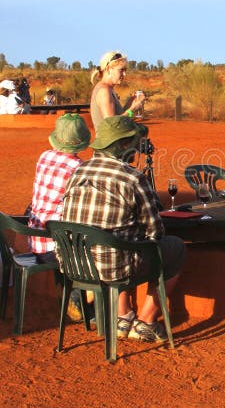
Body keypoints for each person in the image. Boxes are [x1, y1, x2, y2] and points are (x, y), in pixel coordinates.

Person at [62, 115, 186, 342]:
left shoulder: (78, 172)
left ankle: (123, 317)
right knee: (174, 247)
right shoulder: (132, 178)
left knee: (119, 242)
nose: (137, 149)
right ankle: (147, 322)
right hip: (112, 267)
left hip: (75, 265)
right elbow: (155, 231)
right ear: (121, 146)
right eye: (133, 142)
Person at [27, 114, 91, 321]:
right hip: (59, 249)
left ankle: (75, 293)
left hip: (36, 240)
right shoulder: (79, 168)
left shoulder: (44, 157)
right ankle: (81, 296)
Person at [89, 51, 145, 128]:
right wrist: (133, 109)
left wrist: (129, 104)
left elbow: (117, 117)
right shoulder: (104, 91)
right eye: (121, 70)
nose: (124, 74)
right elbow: (113, 126)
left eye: (125, 70)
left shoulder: (108, 89)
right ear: (109, 69)